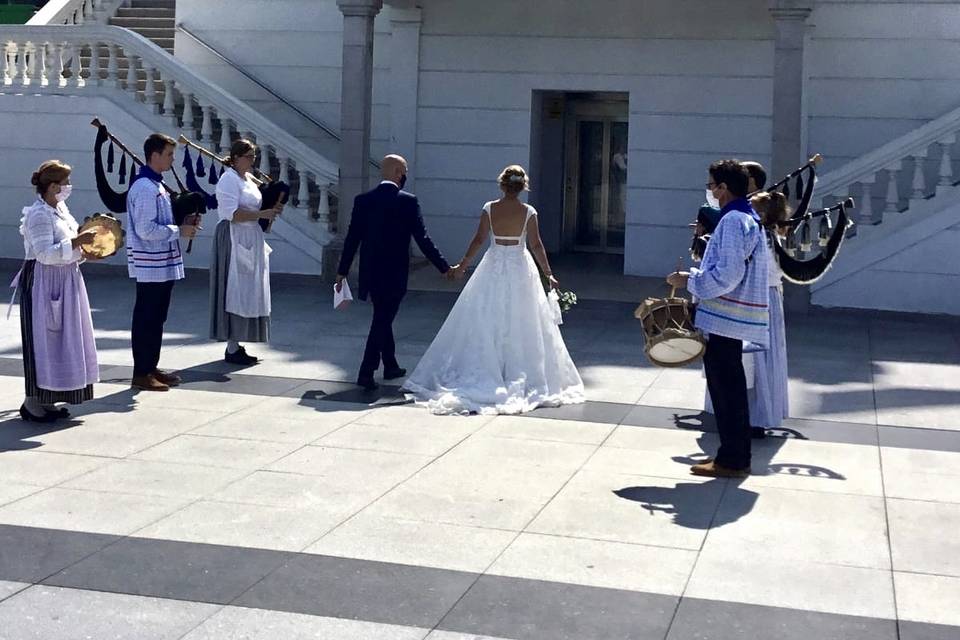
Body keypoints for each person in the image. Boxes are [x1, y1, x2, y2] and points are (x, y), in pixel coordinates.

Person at [402, 165, 585, 415]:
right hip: (521, 269)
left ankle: (490, 367)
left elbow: (478, 239)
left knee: (486, 317)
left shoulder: (490, 208)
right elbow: (536, 245)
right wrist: (549, 274)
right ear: (522, 187)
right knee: (523, 320)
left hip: (493, 267)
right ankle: (516, 370)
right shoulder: (529, 212)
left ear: (502, 184)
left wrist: (462, 265)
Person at [668, 159, 769, 478]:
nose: (710, 191)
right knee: (730, 387)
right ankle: (733, 456)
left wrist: (690, 281)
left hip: (725, 316)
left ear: (724, 188)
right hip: (730, 315)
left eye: (712, 186)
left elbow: (728, 273)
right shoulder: (745, 217)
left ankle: (733, 458)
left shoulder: (733, 220)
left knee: (727, 389)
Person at [336, 154, 451, 391]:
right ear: (399, 172)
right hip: (394, 272)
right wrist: (444, 267)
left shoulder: (363, 200)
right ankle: (366, 372)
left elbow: (352, 239)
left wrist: (342, 271)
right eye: (405, 170)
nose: (406, 175)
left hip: (370, 271)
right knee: (382, 320)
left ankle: (390, 364)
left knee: (382, 314)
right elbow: (423, 239)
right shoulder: (408, 201)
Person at [16, 160, 100, 422]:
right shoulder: (38, 215)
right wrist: (76, 242)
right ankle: (32, 401)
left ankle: (49, 398)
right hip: (44, 282)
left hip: (66, 279)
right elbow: (44, 254)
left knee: (64, 341)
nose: (68, 188)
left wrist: (86, 252)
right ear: (52, 187)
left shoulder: (60, 209)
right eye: (65, 183)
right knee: (43, 339)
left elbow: (71, 246)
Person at [127, 133, 199, 391]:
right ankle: (141, 371)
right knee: (147, 316)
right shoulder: (145, 187)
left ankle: (150, 366)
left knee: (157, 316)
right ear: (154, 155)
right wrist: (179, 231)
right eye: (168, 154)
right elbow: (146, 229)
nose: (172, 159)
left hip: (161, 262)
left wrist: (185, 221)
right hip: (150, 263)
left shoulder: (156, 184)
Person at [209, 139, 283, 364]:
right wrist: (262, 215)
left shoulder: (247, 179)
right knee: (235, 287)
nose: (253, 161)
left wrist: (271, 206)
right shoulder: (228, 180)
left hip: (250, 235)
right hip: (233, 236)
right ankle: (231, 344)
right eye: (249, 156)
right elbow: (232, 213)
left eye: (254, 156)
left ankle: (237, 342)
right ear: (236, 158)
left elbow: (256, 202)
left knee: (248, 288)